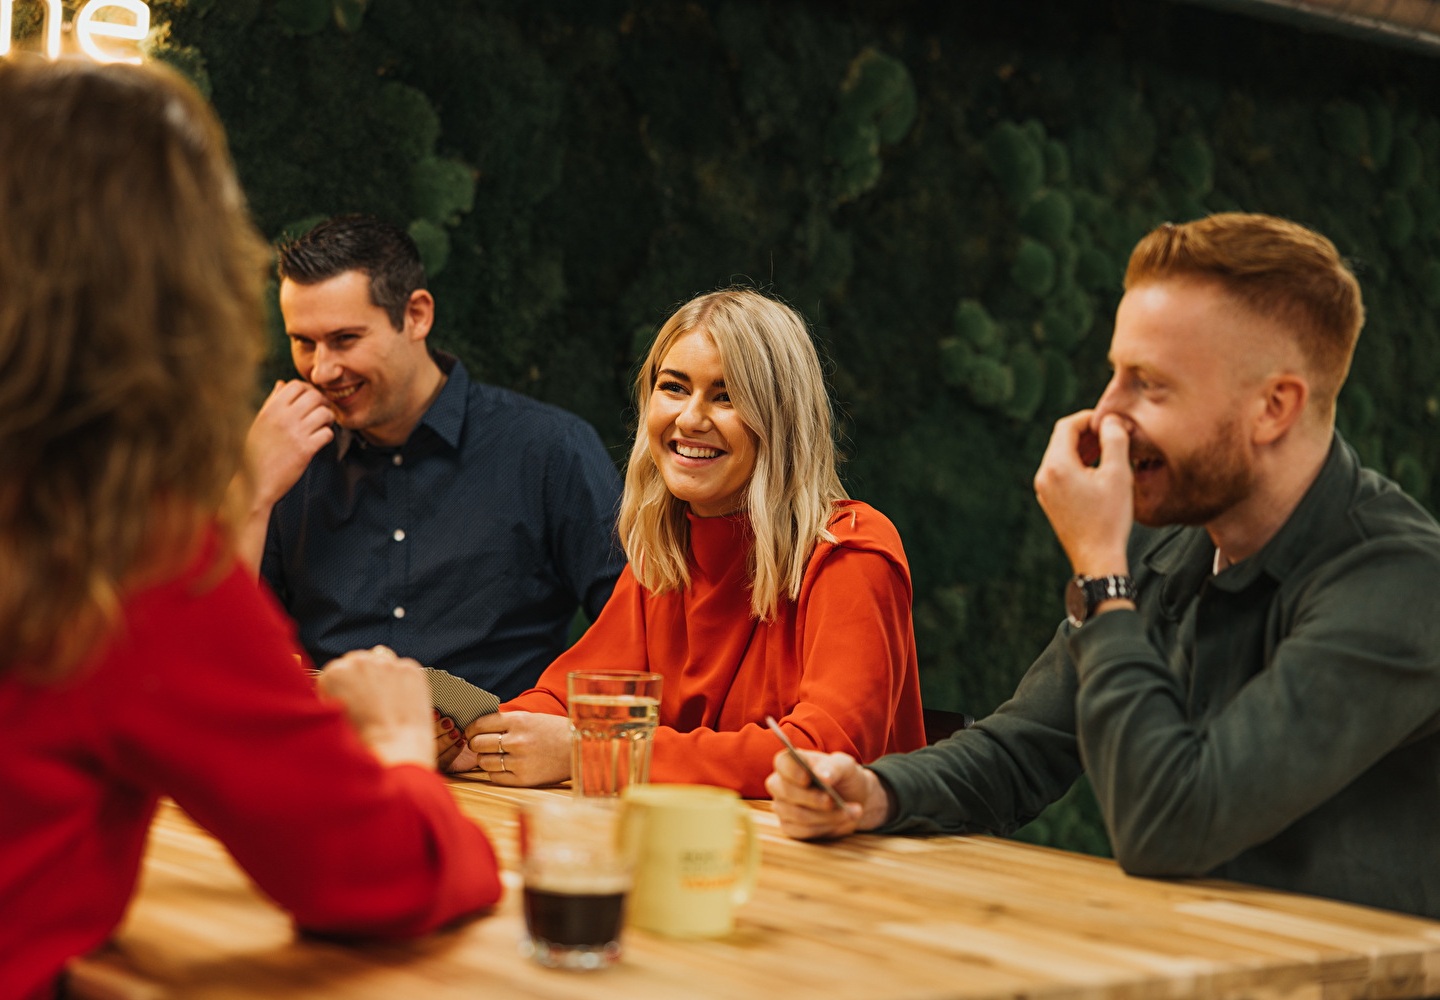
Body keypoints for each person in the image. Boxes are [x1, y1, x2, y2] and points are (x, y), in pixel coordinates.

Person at [0, 60, 500, 1000]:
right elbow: (370, 872)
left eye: (344, 340)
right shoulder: (114, 550)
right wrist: (404, 751)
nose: (322, 368)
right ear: (179, 284)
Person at [768, 213, 1440, 919]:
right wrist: (875, 793)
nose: (1106, 413)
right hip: (1186, 966)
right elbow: (1023, 748)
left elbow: (1171, 826)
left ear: (1274, 407)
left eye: (1149, 385)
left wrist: (1101, 574)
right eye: (1113, 375)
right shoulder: (1167, 542)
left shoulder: (1401, 585)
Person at [445, 289, 927, 798]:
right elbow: (565, 704)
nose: (691, 419)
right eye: (673, 388)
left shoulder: (850, 551)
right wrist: (470, 738)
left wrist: (596, 749)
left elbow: (825, 756)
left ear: (781, 419)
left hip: (848, 867)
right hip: (697, 848)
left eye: (726, 396)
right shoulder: (664, 557)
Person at [239, 215, 624, 701]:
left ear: (417, 315)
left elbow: (636, 634)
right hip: (329, 761)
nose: (322, 369)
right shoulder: (284, 458)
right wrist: (251, 489)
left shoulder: (549, 449)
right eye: (303, 342)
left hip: (495, 767)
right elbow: (208, 646)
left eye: (345, 339)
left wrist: (555, 719)